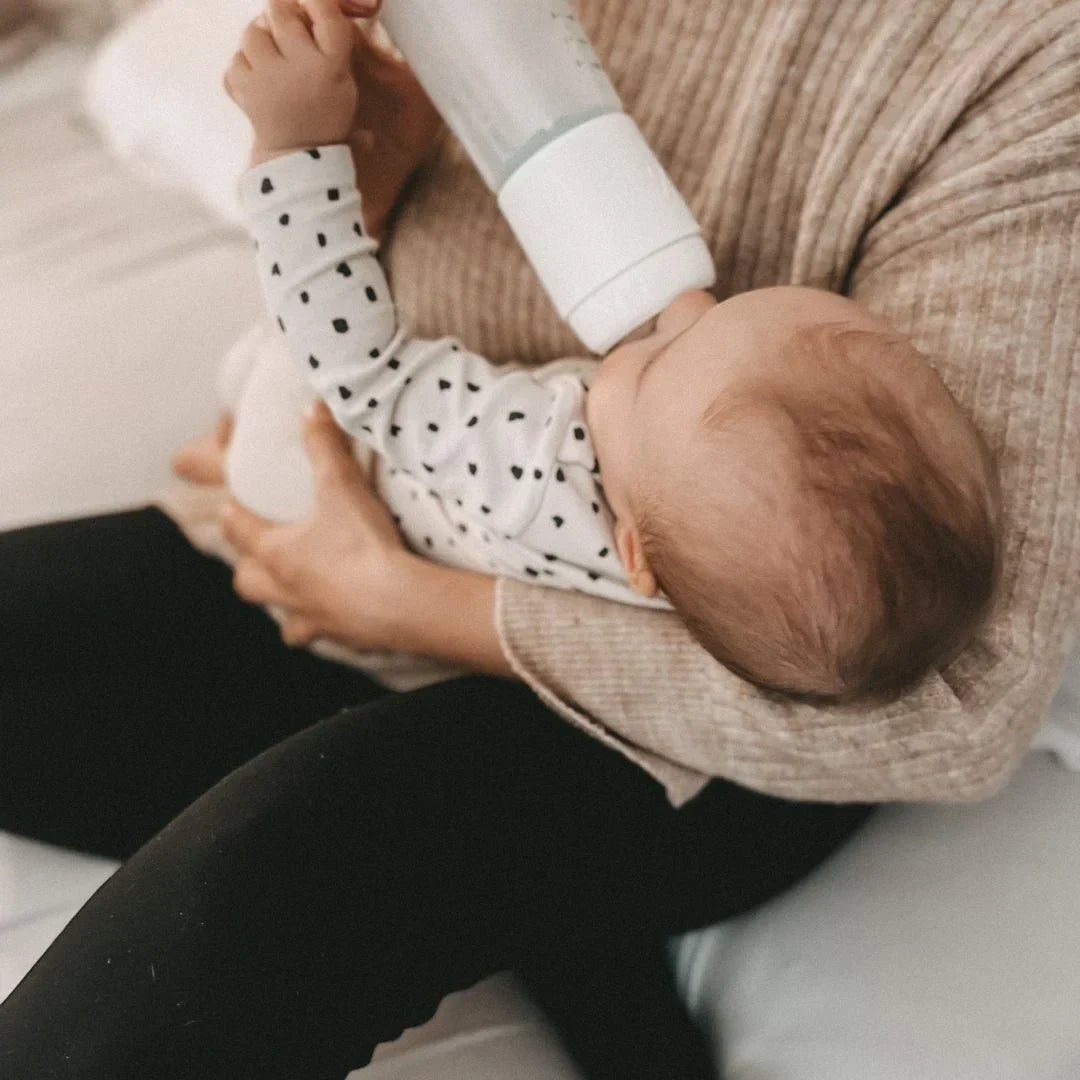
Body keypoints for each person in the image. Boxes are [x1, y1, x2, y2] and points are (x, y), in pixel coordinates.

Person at [1, 0, 1077, 1077]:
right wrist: (390, 172)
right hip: (391, 522)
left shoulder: (1034, 67)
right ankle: (567, 936)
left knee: (247, 898)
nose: (681, 307)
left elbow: (954, 702)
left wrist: (413, 604)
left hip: (711, 721)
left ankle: (536, 911)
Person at [223, 0, 1001, 705]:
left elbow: (364, 375)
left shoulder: (540, 471)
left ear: (631, 549)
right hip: (378, 476)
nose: (690, 302)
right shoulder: (734, 555)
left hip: (313, 474)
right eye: (728, 311)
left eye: (660, 360)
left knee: (255, 385)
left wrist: (294, 153)